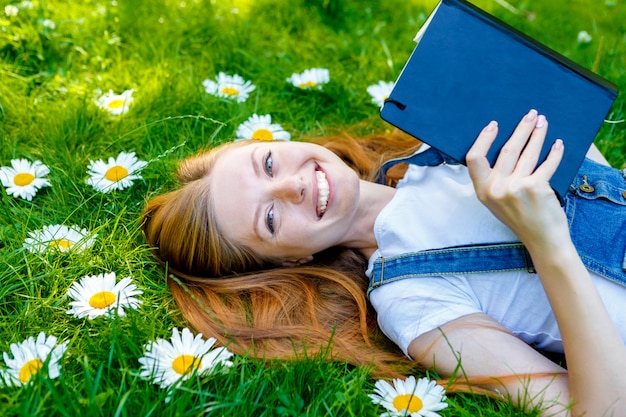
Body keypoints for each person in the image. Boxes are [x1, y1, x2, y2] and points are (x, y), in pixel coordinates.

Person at [141, 110, 626, 417]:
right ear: (293, 259)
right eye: (270, 218)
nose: (293, 186)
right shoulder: (409, 299)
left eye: (268, 164)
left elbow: (596, 173)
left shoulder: (438, 147)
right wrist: (547, 242)